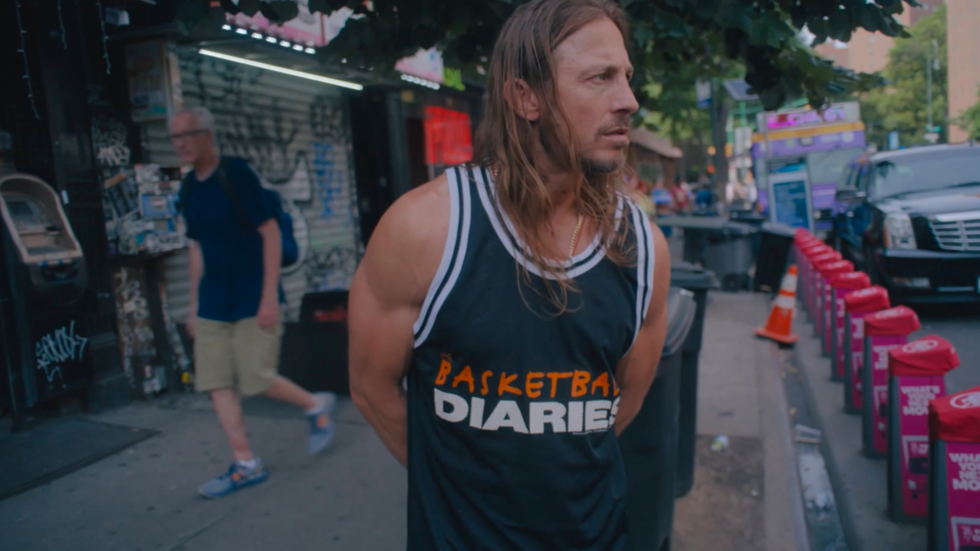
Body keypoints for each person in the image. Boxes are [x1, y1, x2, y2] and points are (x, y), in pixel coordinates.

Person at [348, 1, 670, 548]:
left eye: (626, 76)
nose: (628, 100)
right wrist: (456, 490)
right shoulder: (426, 229)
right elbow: (371, 388)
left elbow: (625, 401)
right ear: (526, 98)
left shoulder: (644, 250)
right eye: (600, 78)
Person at [171, 107, 337, 499]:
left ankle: (315, 404)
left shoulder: (236, 174)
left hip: (252, 296)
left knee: (257, 378)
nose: (180, 143)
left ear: (207, 135)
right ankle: (246, 464)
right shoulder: (189, 187)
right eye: (174, 136)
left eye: (187, 134)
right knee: (216, 383)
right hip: (213, 301)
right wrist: (193, 305)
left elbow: (271, 234)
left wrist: (268, 297)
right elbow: (197, 247)